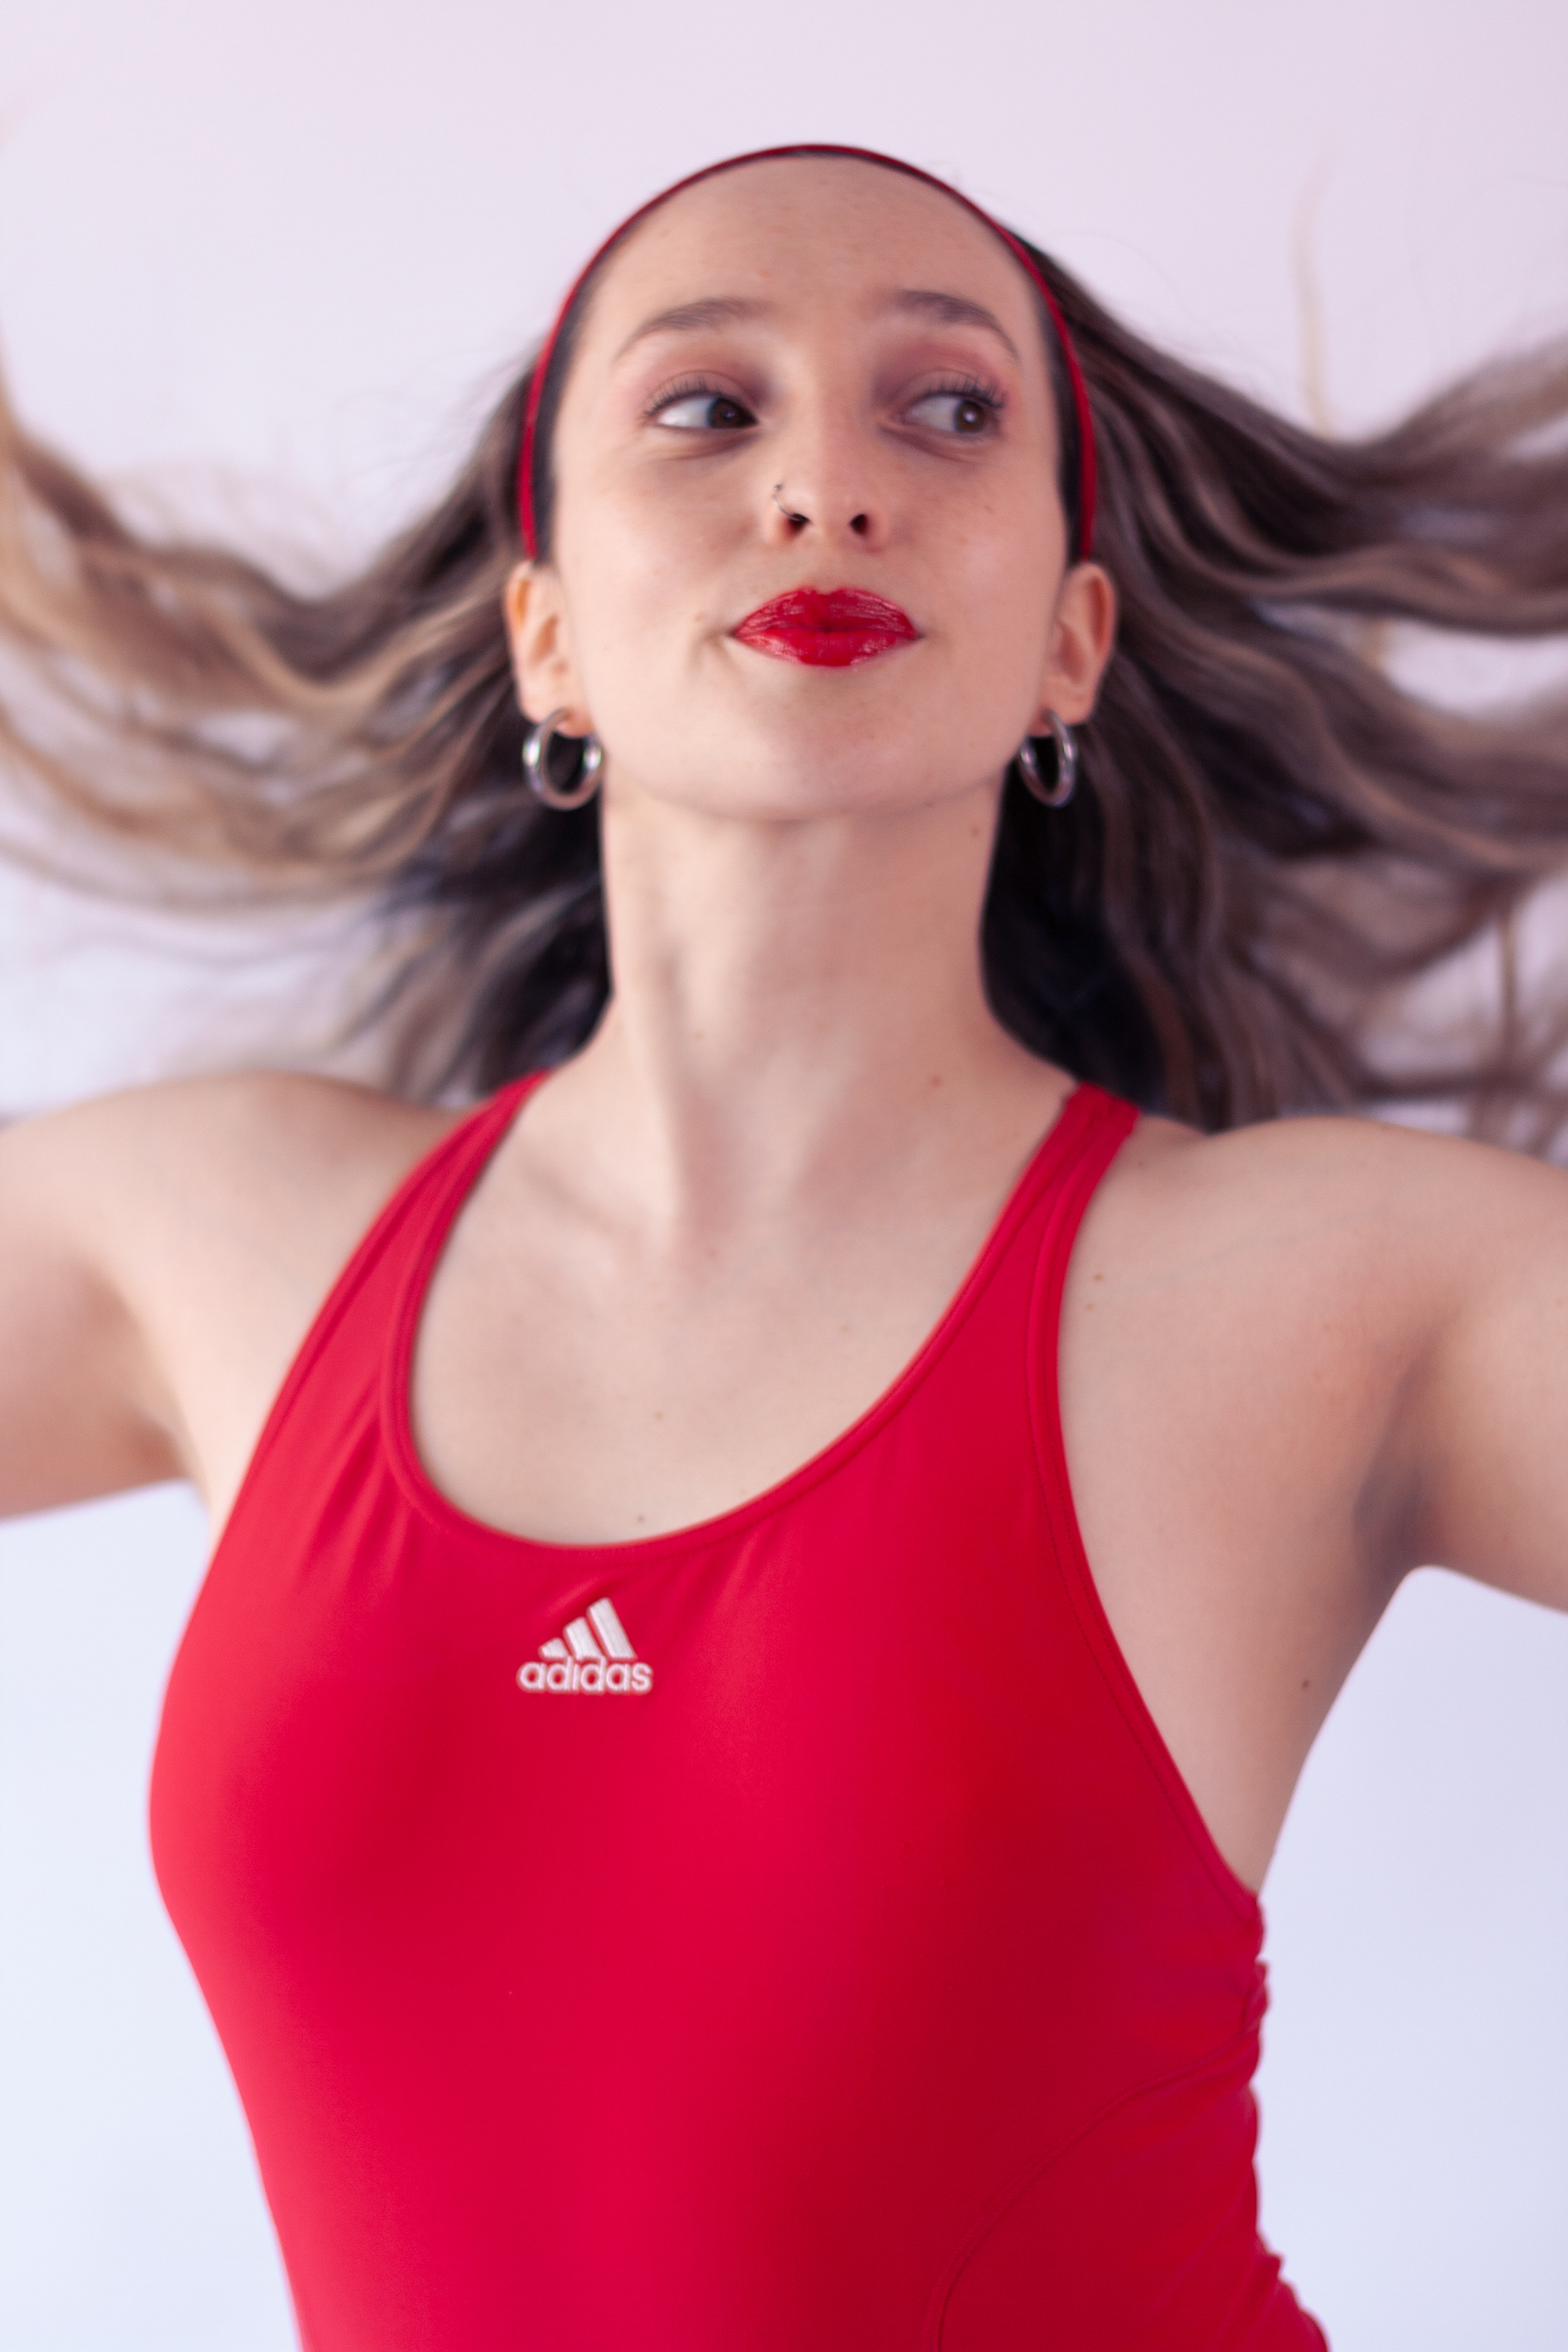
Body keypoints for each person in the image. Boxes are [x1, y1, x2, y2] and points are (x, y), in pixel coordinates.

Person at [1, 141, 1566, 2350]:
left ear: (1071, 642)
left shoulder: (1337, 1298)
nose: (828, 485)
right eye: (707, 407)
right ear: (546, 632)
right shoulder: (214, 1244)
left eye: (949, 410)